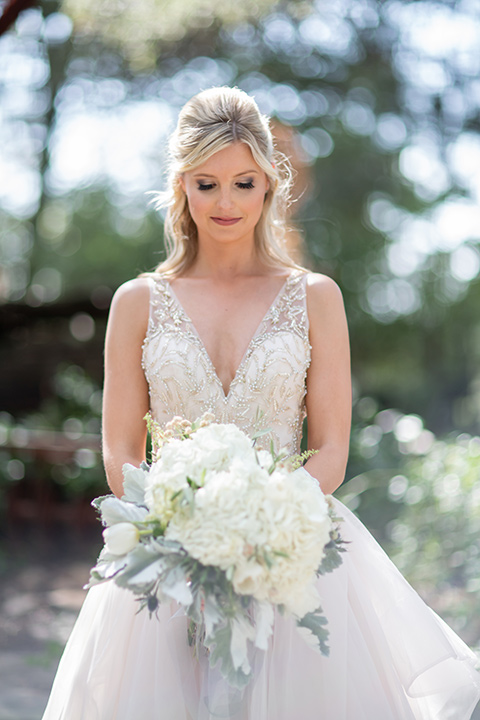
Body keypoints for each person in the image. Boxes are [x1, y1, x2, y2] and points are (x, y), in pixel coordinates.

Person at [42, 86, 480, 720]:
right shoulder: (137, 301)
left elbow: (331, 447)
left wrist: (265, 530)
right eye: (207, 183)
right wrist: (180, 531)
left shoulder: (315, 297)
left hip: (297, 554)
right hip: (169, 556)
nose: (226, 202)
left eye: (244, 182)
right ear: (181, 185)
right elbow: (120, 448)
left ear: (270, 185)